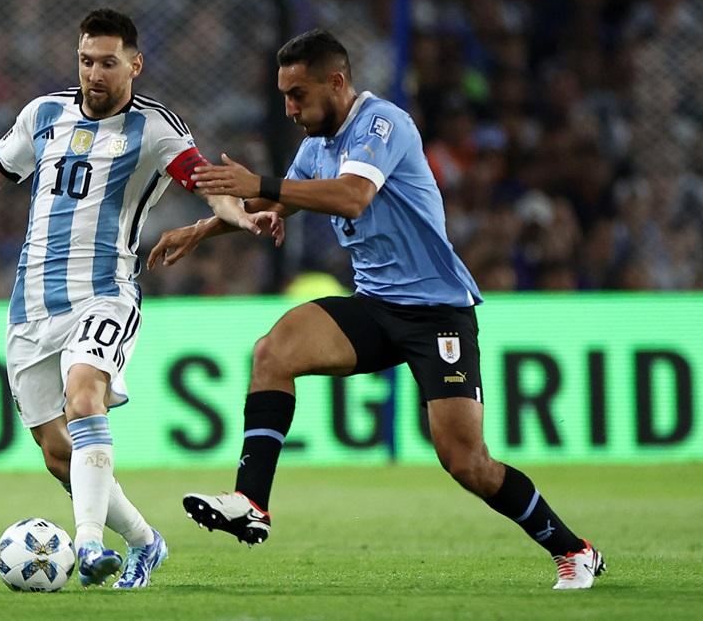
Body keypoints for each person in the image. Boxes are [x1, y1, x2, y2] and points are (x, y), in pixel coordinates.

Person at [148, 29, 605, 591]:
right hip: (375, 306)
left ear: (336, 82)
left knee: (466, 461)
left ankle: (574, 549)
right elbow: (272, 198)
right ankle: (251, 502)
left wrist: (263, 184)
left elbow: (350, 196)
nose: (289, 109)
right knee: (273, 352)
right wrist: (201, 228)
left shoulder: (383, 124)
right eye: (284, 96)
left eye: (298, 95)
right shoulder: (317, 144)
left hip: (437, 313)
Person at [0, 9, 281, 588]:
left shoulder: (154, 128)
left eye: (108, 63)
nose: (94, 74)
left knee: (86, 398)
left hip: (104, 294)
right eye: (86, 61)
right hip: (31, 306)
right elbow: (0, 172)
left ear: (135, 64)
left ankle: (86, 545)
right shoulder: (43, 114)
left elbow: (206, 183)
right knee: (57, 453)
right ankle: (145, 542)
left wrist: (240, 216)